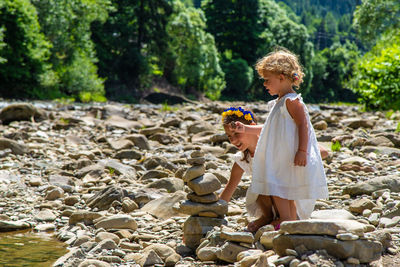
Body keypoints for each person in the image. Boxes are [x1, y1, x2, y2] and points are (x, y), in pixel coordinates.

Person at [222, 48, 329, 231]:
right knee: (278, 187)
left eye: (266, 80)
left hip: (288, 154)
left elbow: (304, 126)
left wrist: (302, 151)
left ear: (281, 77)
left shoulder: (292, 101)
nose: (264, 84)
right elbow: (269, 128)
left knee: (283, 188)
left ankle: (286, 219)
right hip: (280, 156)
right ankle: (283, 219)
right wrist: (245, 128)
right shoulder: (279, 103)